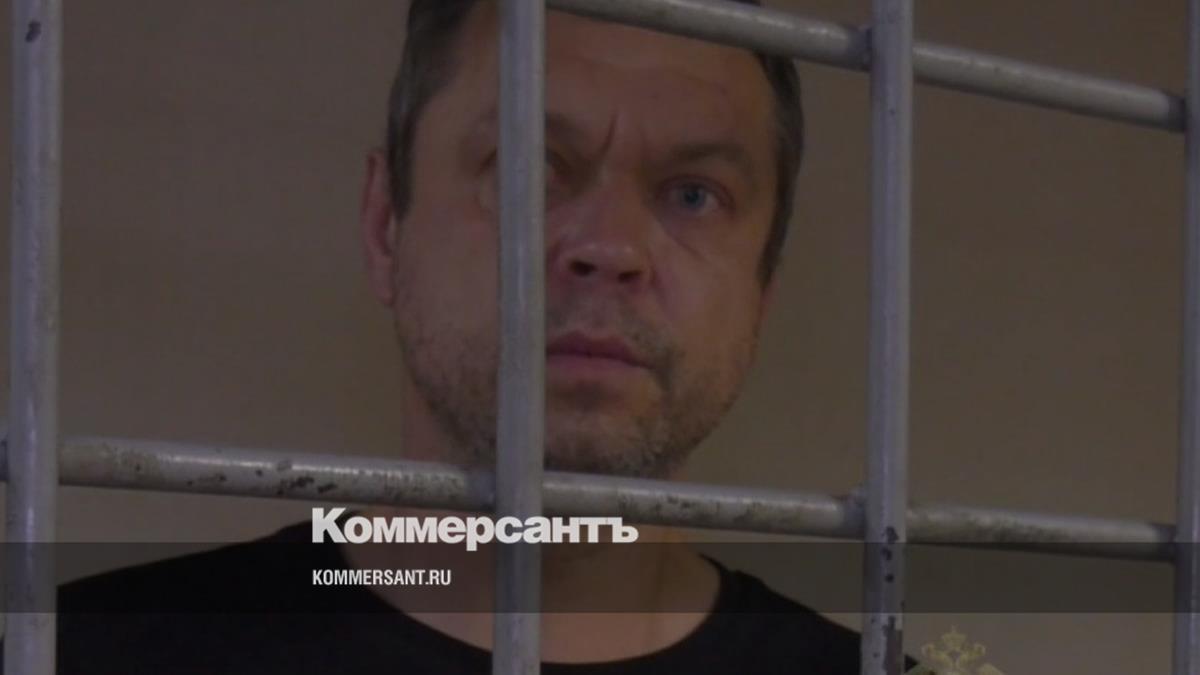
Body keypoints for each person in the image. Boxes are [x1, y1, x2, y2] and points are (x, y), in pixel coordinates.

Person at [36, 1, 919, 673]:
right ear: (386, 226)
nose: (609, 247)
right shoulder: (65, 650)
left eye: (694, 194)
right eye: (527, 164)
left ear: (762, 293)